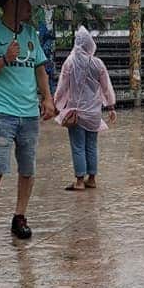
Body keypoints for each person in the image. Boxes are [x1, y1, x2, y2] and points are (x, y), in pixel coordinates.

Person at [0, 0, 57, 249]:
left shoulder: (31, 33)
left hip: (29, 113)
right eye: (26, 0)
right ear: (11, 3)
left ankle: (19, 216)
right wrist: (5, 59)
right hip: (1, 112)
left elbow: (40, 68)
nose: (30, 6)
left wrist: (48, 98)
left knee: (28, 168)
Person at [54, 27, 117, 191]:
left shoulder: (70, 62)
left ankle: (80, 181)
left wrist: (55, 104)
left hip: (76, 111)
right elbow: (106, 87)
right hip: (94, 113)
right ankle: (92, 179)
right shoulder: (98, 63)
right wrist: (110, 106)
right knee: (91, 146)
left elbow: (62, 87)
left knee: (78, 146)